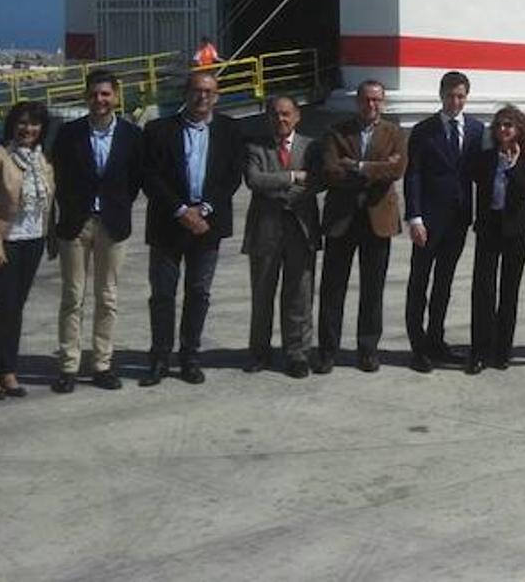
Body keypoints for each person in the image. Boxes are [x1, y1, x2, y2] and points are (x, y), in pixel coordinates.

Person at [140, 70, 246, 386]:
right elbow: (150, 176)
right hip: (167, 222)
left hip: (208, 225)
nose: (203, 97)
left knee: (198, 293)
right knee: (162, 294)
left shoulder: (229, 130)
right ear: (186, 93)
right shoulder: (158, 130)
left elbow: (232, 176)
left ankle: (190, 357)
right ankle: (159, 358)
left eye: (209, 92)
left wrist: (205, 209)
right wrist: (181, 210)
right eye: (197, 91)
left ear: (217, 96)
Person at [50, 69, 143, 393]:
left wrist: (115, 206)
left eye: (105, 94)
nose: (99, 100)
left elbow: (134, 180)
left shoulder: (132, 135)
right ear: (86, 96)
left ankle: (102, 364)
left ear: (116, 96)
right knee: (72, 296)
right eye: (94, 94)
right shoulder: (69, 133)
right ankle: (68, 366)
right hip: (76, 224)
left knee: (108, 297)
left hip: (113, 224)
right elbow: (58, 176)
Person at [317, 79, 406, 374]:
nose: (372, 105)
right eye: (366, 100)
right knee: (333, 288)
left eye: (377, 100)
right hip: (342, 219)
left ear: (384, 103)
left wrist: (357, 166)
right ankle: (327, 351)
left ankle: (368, 350)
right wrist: (377, 169)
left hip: (377, 220)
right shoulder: (337, 131)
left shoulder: (394, 133)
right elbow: (330, 171)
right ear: (357, 102)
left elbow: (397, 169)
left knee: (372, 290)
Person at [0, 101, 54, 400]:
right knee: (2, 307)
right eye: (22, 123)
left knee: (16, 308)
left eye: (34, 124)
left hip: (33, 240)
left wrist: (51, 238)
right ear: (12, 125)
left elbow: (49, 203)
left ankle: (9, 369)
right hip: (5, 241)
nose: (28, 129)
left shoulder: (42, 159)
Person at [403, 70, 484, 370]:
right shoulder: (424, 130)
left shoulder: (476, 129)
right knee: (419, 283)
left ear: (466, 97)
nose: (455, 101)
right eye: (450, 95)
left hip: (458, 220)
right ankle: (418, 346)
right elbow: (414, 175)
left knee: (444, 284)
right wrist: (414, 217)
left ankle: (436, 340)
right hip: (428, 220)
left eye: (461, 96)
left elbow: (480, 172)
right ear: (441, 95)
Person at [241, 95, 320, 379]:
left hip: (301, 229)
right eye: (275, 114)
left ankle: (297, 353)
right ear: (268, 117)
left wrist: (284, 184)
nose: (281, 120)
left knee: (299, 294)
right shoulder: (254, 147)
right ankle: (259, 351)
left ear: (297, 116)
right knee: (262, 294)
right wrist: (292, 178)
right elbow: (254, 180)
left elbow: (317, 181)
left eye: (286, 114)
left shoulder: (312, 146)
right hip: (265, 230)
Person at [467, 105, 525, 374]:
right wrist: (497, 159)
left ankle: (502, 350)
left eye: (509, 125)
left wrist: (510, 167)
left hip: (516, 230)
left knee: (509, 292)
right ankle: (479, 350)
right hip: (489, 227)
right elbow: (476, 179)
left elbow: (524, 191)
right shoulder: (485, 158)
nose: (503, 130)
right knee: (483, 289)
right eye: (499, 125)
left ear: (519, 129)